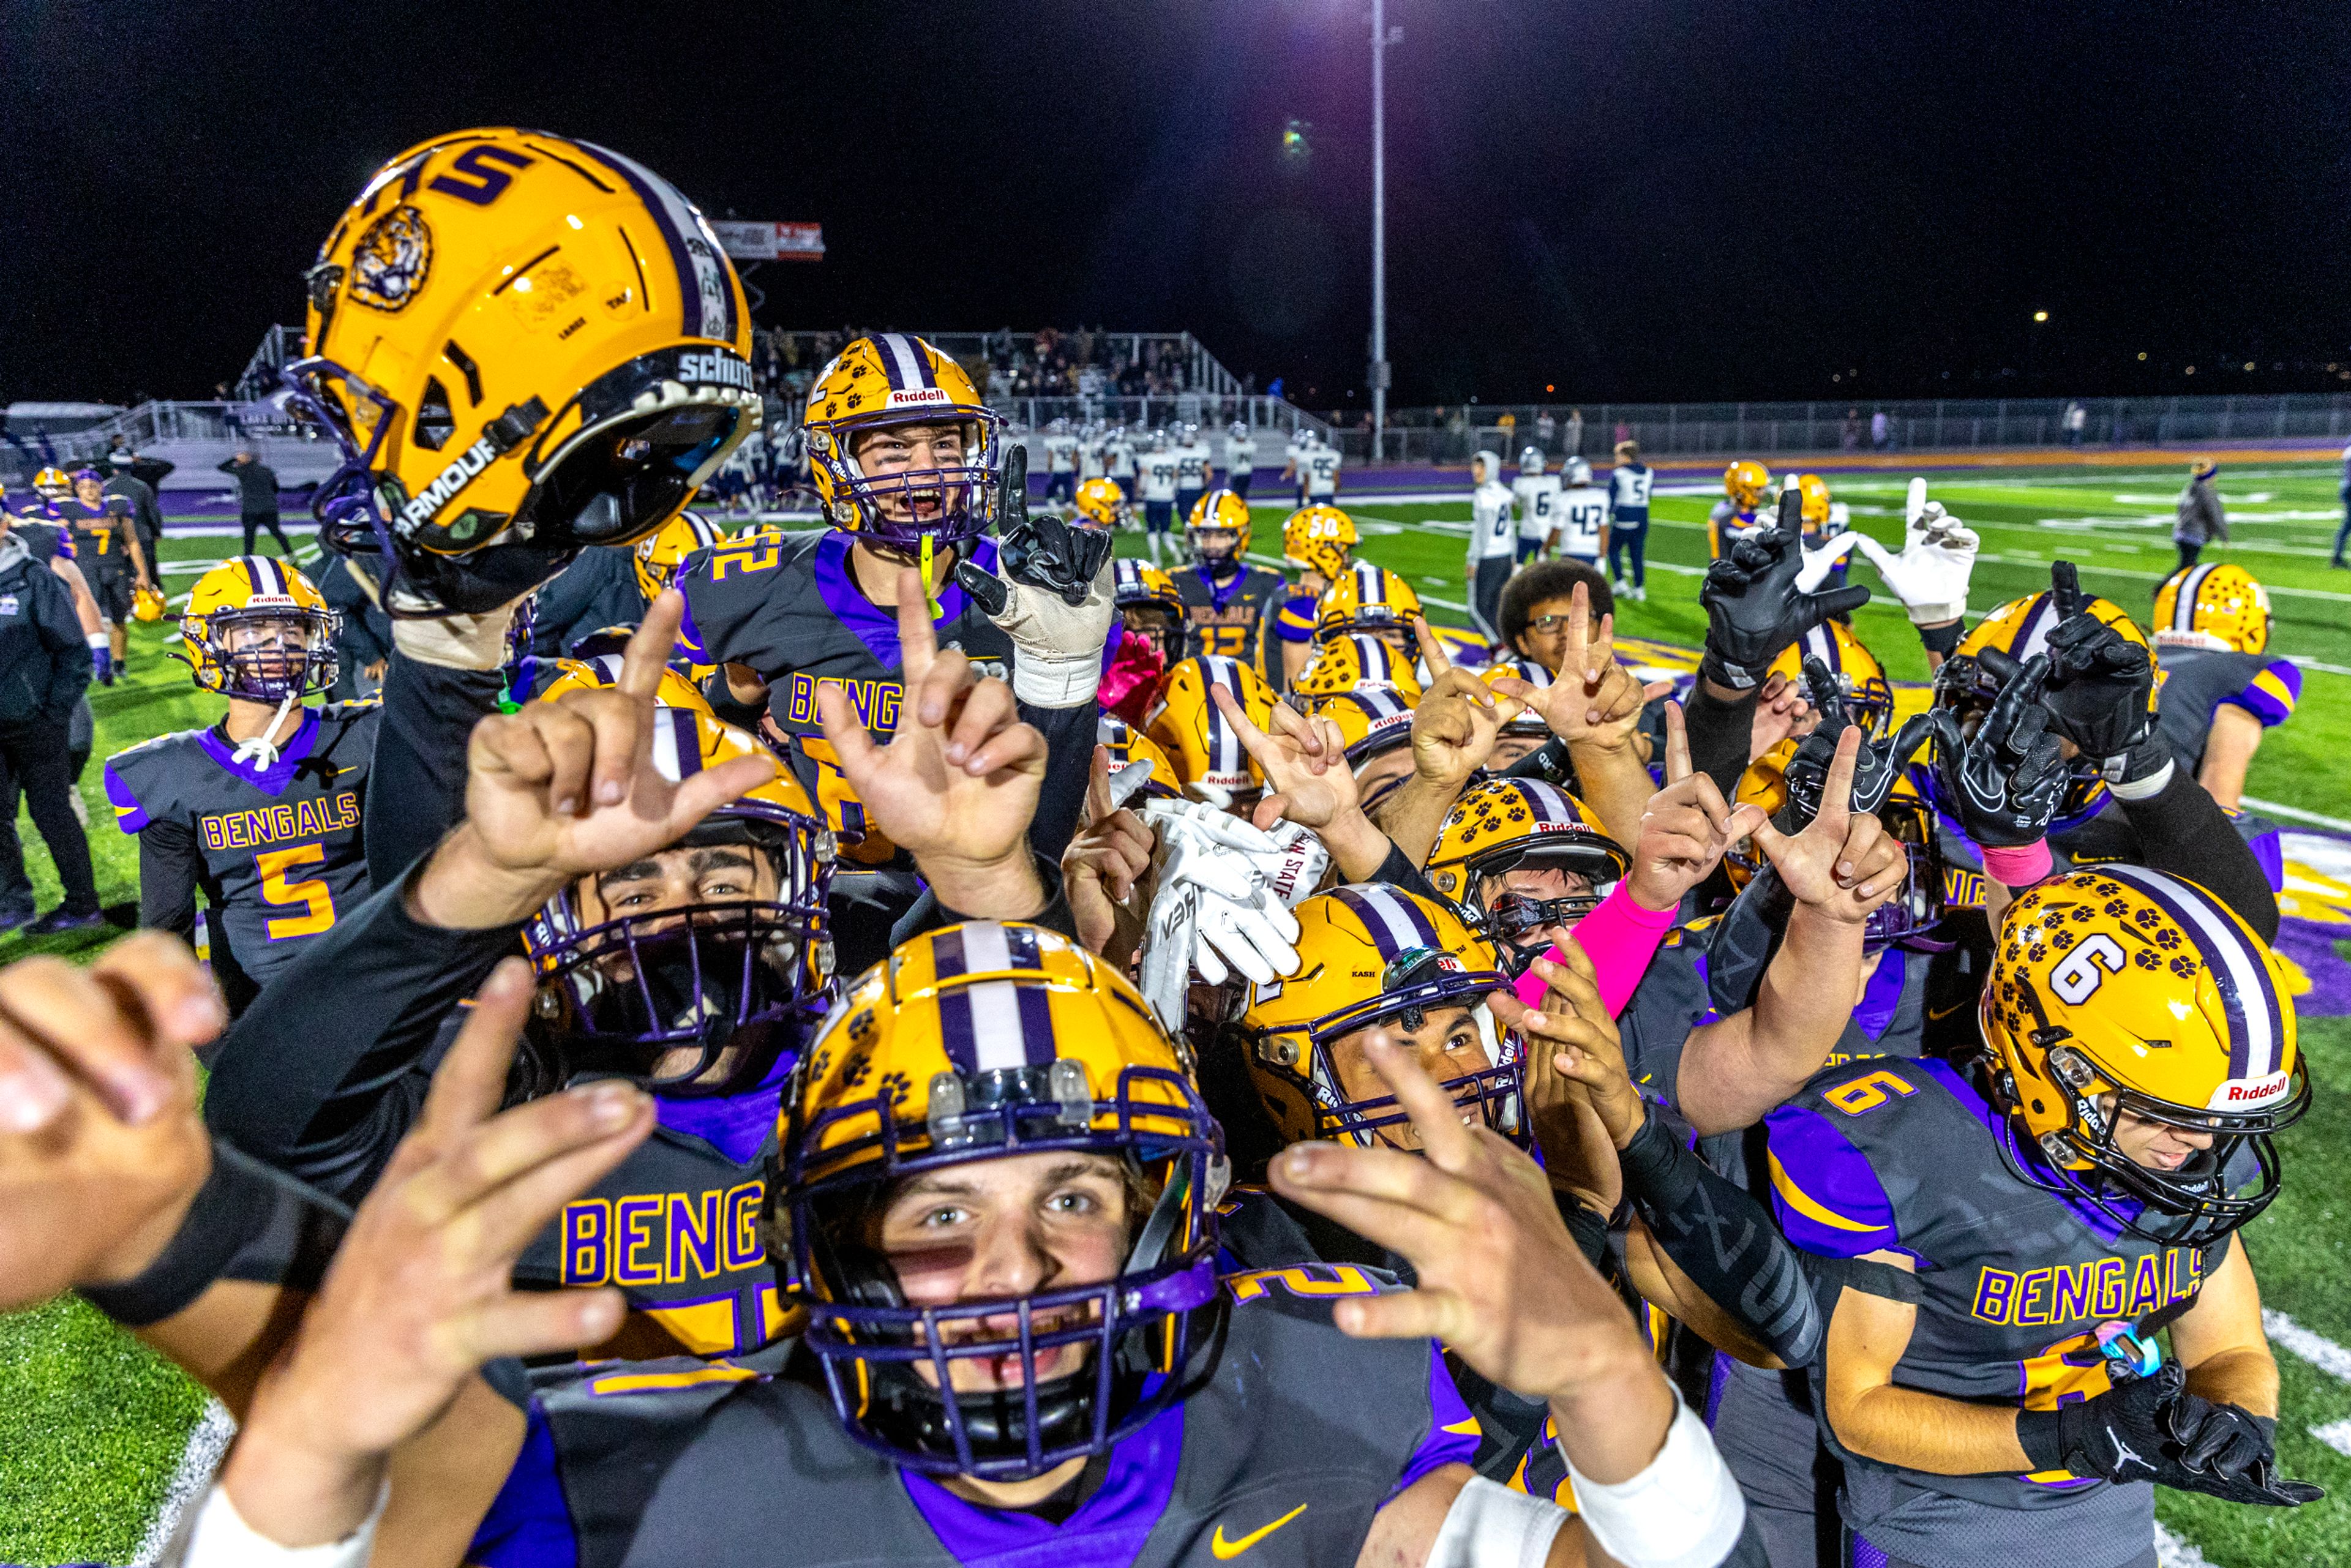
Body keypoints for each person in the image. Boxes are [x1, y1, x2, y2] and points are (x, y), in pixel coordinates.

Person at [1769, 868, 2321, 1568]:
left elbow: (2229, 1350)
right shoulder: (1910, 1148)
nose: (2202, 1144)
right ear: (2055, 1065)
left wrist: (2240, 1415)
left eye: (2218, 1118)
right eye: (2166, 1109)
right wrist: (2072, 1435)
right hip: (1936, 1523)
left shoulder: (2194, 1160)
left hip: (2108, 1512)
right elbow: (1860, 1410)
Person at [101, 558, 374, 1017]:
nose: (280, 644)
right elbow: (168, 928)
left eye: (294, 629)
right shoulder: (169, 773)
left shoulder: (366, 734)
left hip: (378, 979)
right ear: (208, 644)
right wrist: (217, 1041)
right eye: (255, 631)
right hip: (266, 1005)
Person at [0, 501, 100, 934]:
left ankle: (82, 903)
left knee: (51, 812)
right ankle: (13, 902)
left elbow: (74, 654)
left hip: (36, 725)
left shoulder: (33, 577)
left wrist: (51, 713)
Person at [2148, 563, 2297, 813]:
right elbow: (2219, 801)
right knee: (2255, 839)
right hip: (2141, 836)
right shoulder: (2236, 674)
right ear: (2250, 626)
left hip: (2071, 829)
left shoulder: (2135, 659)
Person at [1174, 488, 1284, 669]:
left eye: (1221, 535)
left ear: (1241, 536)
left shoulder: (1267, 584)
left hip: (1248, 687)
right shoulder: (1177, 582)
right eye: (1205, 535)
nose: (1211, 545)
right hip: (1191, 686)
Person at [67, 467, 155, 674]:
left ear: (101, 487)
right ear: (77, 490)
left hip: (117, 569)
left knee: (119, 618)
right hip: (86, 570)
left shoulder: (118, 507)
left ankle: (119, 662)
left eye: (93, 486)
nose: (89, 491)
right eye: (83, 487)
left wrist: (143, 573)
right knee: (90, 619)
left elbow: (132, 541)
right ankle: (96, 661)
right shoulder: (68, 511)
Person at [1468, 450, 1518, 643]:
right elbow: (1511, 528)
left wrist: (1473, 560)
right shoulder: (1505, 494)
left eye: (1481, 466)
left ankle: (1499, 646)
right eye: (1475, 465)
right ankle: (1505, 646)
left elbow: (1483, 533)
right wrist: (1513, 555)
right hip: (1505, 556)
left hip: (1489, 557)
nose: (1476, 470)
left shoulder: (1483, 496)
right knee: (1496, 607)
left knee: (1477, 609)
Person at [219, 447, 295, 558]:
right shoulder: (267, 471)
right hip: (269, 508)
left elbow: (222, 467)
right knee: (277, 533)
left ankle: (248, 560)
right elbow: (275, 489)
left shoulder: (243, 471)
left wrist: (234, 459)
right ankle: (291, 555)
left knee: (249, 538)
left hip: (250, 510)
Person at [104, 448, 170, 577]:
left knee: (121, 581)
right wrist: (157, 532)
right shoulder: (142, 487)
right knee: (147, 577)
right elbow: (152, 513)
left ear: (113, 467)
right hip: (142, 538)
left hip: (116, 540)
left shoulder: (104, 488)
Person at [1607, 439, 1654, 602]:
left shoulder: (1619, 474)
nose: (1616, 458)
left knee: (1612, 549)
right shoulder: (1648, 472)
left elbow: (1610, 500)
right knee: (1637, 553)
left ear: (1626, 456)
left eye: (1618, 455)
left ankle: (1620, 582)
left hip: (1625, 515)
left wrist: (1606, 516)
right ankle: (1639, 588)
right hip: (1642, 516)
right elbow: (1649, 495)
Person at [1554, 456, 1608, 570]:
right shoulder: (1600, 496)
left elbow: (1557, 529)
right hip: (1592, 552)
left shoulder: (1564, 498)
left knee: (1570, 587)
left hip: (1571, 550)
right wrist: (1602, 557)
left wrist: (1546, 550)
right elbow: (1604, 529)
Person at [1137, 427, 1181, 566]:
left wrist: (1141, 490)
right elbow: (1175, 478)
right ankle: (1175, 552)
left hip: (1152, 496)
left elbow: (1144, 479)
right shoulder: (1172, 458)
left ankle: (1157, 559)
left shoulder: (1148, 459)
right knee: (1165, 530)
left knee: (1152, 529)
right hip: (1167, 497)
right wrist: (1172, 491)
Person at [2174, 459, 2226, 571]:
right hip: (2193, 534)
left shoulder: (2189, 488)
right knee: (2187, 568)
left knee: (2186, 565)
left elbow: (2181, 508)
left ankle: (2164, 586)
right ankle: (2162, 587)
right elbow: (2215, 514)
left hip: (2180, 532)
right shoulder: (2206, 491)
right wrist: (2223, 535)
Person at [1511, 446, 1561, 563]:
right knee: (1542, 569)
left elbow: (1512, 507)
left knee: (1518, 565)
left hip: (1528, 531)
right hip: (1546, 532)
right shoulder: (1554, 482)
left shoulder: (1521, 483)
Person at [1173, 419, 1213, 525]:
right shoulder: (1201, 451)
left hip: (1184, 488)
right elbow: (1209, 474)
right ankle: (1198, 537)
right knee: (1198, 515)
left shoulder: (1177, 452)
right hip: (1197, 488)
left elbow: (1175, 473)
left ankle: (1189, 539)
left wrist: (1174, 487)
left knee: (1186, 518)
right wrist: (1204, 485)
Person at [1041, 416, 1078, 509]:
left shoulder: (1052, 441)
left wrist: (1049, 468)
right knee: (1068, 490)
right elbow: (1074, 456)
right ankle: (1068, 506)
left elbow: (1051, 457)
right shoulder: (1071, 440)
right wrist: (1075, 467)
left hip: (1057, 469)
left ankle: (1053, 506)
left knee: (1052, 490)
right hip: (1068, 468)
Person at [1224, 418, 1257, 498]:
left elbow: (1230, 462)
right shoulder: (1251, 446)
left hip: (1237, 472)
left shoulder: (1233, 447)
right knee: (1243, 495)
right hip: (1247, 472)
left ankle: (1237, 509)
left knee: (1236, 495)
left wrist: (1228, 476)